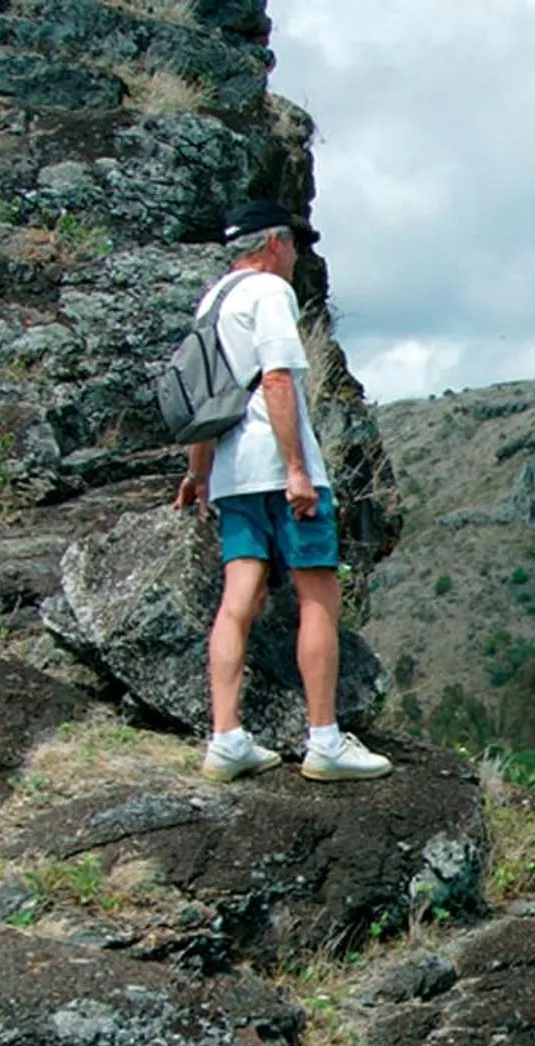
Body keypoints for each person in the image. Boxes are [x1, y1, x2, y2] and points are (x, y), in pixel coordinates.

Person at [174, 197, 391, 783]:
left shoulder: (213, 301)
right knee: (318, 592)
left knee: (237, 598)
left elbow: (208, 399)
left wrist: (198, 474)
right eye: (293, 243)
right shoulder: (270, 294)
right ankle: (324, 739)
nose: (296, 254)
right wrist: (297, 469)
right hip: (279, 468)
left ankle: (226, 737)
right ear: (273, 244)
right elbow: (274, 378)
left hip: (231, 474)